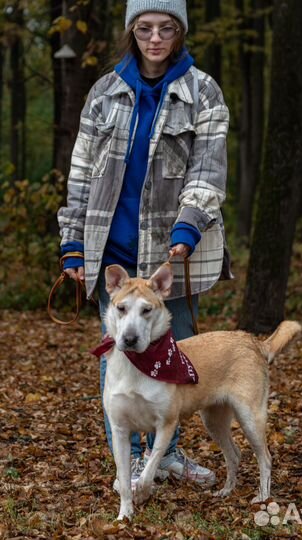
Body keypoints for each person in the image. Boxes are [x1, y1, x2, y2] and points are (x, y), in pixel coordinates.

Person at [58, 0, 230, 489]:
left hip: (173, 257)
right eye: (146, 28)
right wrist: (73, 243)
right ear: (133, 32)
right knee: (121, 353)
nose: (155, 38)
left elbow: (209, 170)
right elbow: (80, 173)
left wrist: (188, 229)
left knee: (168, 355)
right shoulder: (105, 91)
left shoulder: (203, 92)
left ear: (179, 33)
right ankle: (132, 460)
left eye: (166, 28)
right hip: (110, 250)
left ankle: (167, 454)